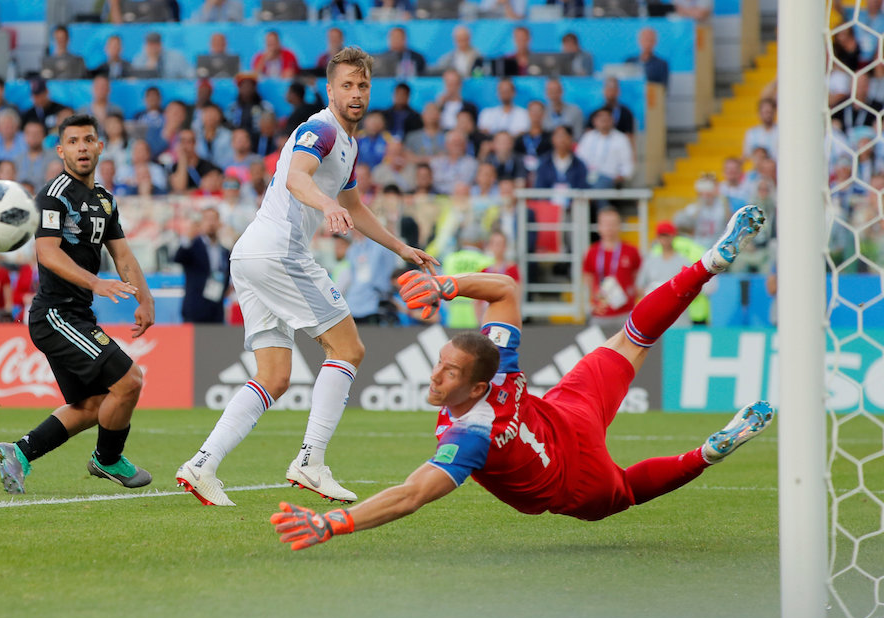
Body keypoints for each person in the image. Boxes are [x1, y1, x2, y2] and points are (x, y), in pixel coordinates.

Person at [270, 205, 774, 550]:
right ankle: (707, 264)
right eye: (440, 362)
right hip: (567, 413)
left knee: (624, 489)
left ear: (476, 388)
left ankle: (706, 453)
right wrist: (444, 285)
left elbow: (411, 494)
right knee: (632, 339)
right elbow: (506, 290)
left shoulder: (471, 435)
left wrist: (333, 523)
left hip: (576, 481)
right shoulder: (500, 361)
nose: (435, 376)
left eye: (448, 371)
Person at [176, 46, 436, 507]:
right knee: (349, 349)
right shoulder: (322, 129)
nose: (356, 94)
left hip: (251, 256)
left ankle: (202, 464)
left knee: (274, 376)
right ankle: (311, 461)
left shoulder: (348, 144)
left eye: (362, 85)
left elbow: (355, 206)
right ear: (330, 90)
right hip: (279, 253)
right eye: (347, 85)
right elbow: (297, 177)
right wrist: (327, 205)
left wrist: (400, 248)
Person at [0, 114, 155, 495]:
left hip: (77, 314)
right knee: (129, 381)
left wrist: (145, 298)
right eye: (73, 141)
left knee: (95, 405)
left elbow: (123, 255)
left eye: (88, 140)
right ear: (61, 151)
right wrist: (96, 282)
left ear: (100, 147)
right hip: (55, 315)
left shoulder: (105, 201)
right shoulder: (53, 195)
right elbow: (47, 253)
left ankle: (18, 453)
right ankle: (108, 459)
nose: (82, 147)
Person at [582, 207, 641, 328]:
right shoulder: (592, 252)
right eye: (605, 224)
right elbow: (588, 278)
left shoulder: (631, 251)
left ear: (619, 226)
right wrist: (595, 298)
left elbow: (637, 277)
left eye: (613, 224)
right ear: (599, 226)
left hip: (625, 312)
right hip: (600, 312)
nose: (609, 228)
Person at [174, 208, 231, 324]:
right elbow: (178, 258)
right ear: (201, 223)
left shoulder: (224, 251)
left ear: (219, 223)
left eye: (214, 219)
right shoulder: (193, 246)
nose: (211, 223)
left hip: (216, 308)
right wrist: (188, 237)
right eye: (207, 219)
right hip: (195, 308)